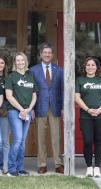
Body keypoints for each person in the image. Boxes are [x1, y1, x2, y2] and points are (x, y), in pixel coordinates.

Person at [29, 43, 64, 174]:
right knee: (41, 137)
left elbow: (63, 90)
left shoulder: (59, 70)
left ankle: (58, 164)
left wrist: (64, 108)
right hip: (39, 107)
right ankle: (42, 164)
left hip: (55, 107)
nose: (47, 55)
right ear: (41, 55)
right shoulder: (33, 70)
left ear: (52, 55)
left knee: (56, 137)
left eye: (49, 53)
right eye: (45, 52)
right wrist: (31, 108)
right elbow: (31, 90)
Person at [75, 57, 101, 178]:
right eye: (88, 65)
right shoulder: (80, 80)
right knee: (87, 141)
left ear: (97, 67)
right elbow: (77, 97)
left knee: (99, 141)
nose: (90, 67)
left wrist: (99, 110)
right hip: (86, 116)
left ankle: (97, 167)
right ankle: (89, 167)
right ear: (85, 67)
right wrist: (88, 110)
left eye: (93, 65)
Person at [5, 52, 37, 177]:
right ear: (14, 63)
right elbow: (9, 96)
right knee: (17, 139)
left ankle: (20, 168)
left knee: (22, 141)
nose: (20, 62)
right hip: (14, 111)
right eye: (17, 60)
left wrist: (29, 109)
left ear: (25, 62)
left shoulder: (30, 77)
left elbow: (34, 95)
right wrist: (21, 109)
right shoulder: (11, 77)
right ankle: (11, 168)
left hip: (27, 111)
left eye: (22, 60)